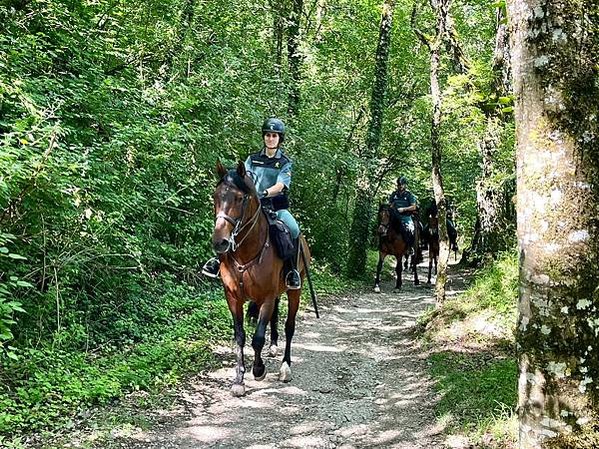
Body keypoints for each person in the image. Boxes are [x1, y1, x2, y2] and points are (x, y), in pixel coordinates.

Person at [202, 118, 302, 289]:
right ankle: (217, 262)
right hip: (253, 206)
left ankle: (291, 271)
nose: (270, 138)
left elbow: (280, 185)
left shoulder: (285, 162)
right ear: (264, 137)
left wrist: (263, 192)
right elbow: (244, 179)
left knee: (293, 229)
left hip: (275, 206)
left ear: (279, 139)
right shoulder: (252, 159)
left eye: (274, 136)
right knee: (227, 224)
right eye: (268, 135)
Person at [388, 176, 418, 249]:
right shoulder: (394, 194)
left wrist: (404, 209)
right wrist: (391, 207)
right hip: (395, 216)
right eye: (399, 185)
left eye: (401, 184)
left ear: (405, 185)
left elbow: (414, 207)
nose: (400, 186)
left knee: (411, 229)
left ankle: (410, 247)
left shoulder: (409, 195)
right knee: (384, 227)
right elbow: (390, 204)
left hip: (406, 217)